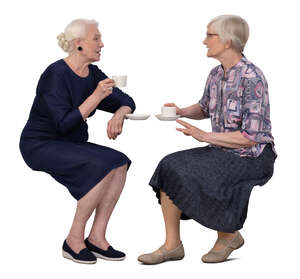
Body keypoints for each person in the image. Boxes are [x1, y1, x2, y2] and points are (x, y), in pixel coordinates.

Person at [138, 15, 277, 264]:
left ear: (227, 41)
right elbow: (204, 108)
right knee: (170, 165)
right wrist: (181, 111)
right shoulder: (215, 74)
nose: (204, 41)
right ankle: (172, 246)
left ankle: (228, 235)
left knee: (209, 172)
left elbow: (251, 137)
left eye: (210, 35)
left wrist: (204, 136)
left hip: (253, 155)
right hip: (221, 148)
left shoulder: (252, 78)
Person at [19, 19, 136, 264]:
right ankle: (74, 239)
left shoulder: (92, 73)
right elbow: (63, 123)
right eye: (96, 38)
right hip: (41, 143)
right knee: (102, 166)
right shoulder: (55, 74)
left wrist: (119, 112)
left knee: (119, 163)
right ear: (78, 43)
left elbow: (125, 99)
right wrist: (96, 96)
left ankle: (97, 237)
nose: (102, 44)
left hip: (72, 143)